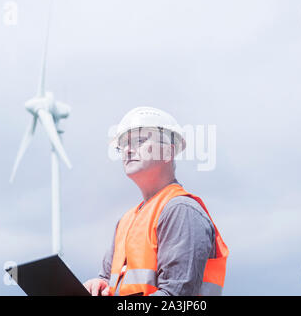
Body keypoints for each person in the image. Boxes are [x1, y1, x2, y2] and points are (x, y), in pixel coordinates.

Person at [83, 107, 228, 296]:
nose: (127, 150)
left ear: (168, 152)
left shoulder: (181, 210)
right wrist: (100, 284)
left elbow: (176, 296)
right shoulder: (126, 222)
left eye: (139, 141)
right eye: (123, 145)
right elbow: (111, 280)